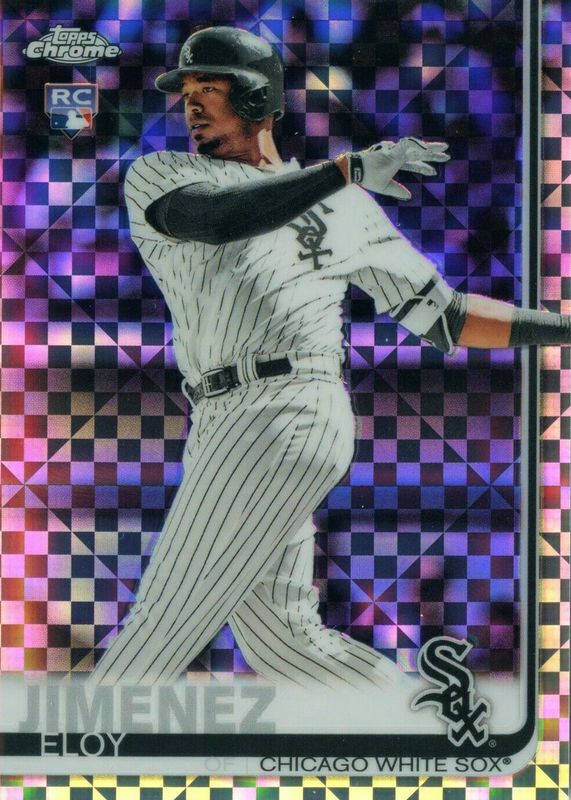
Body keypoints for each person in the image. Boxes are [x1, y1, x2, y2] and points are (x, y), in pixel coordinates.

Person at [90, 26, 569, 687]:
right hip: (222, 415)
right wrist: (340, 171)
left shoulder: (343, 201)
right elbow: (219, 218)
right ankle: (433, 722)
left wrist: (564, 329)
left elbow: (447, 317)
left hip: (288, 407)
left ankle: (81, 743)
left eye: (210, 88)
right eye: (187, 90)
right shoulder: (165, 173)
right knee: (286, 643)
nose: (191, 103)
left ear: (257, 97)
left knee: (163, 625)